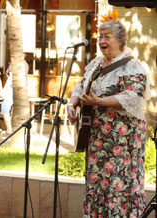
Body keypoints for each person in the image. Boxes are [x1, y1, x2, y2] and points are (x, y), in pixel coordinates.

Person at [67, 12, 151, 217]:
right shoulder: (96, 64)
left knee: (118, 184)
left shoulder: (132, 66)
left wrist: (99, 102)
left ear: (119, 40)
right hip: (97, 139)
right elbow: (81, 86)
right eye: (100, 37)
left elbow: (132, 97)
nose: (101, 41)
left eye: (106, 37)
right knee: (98, 183)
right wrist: (72, 104)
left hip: (122, 142)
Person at [0, 58, 29, 134]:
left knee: (5, 108)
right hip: (22, 88)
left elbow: (10, 78)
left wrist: (4, 90)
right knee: (15, 109)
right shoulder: (25, 63)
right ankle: (16, 129)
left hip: (11, 88)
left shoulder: (15, 62)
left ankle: (9, 129)